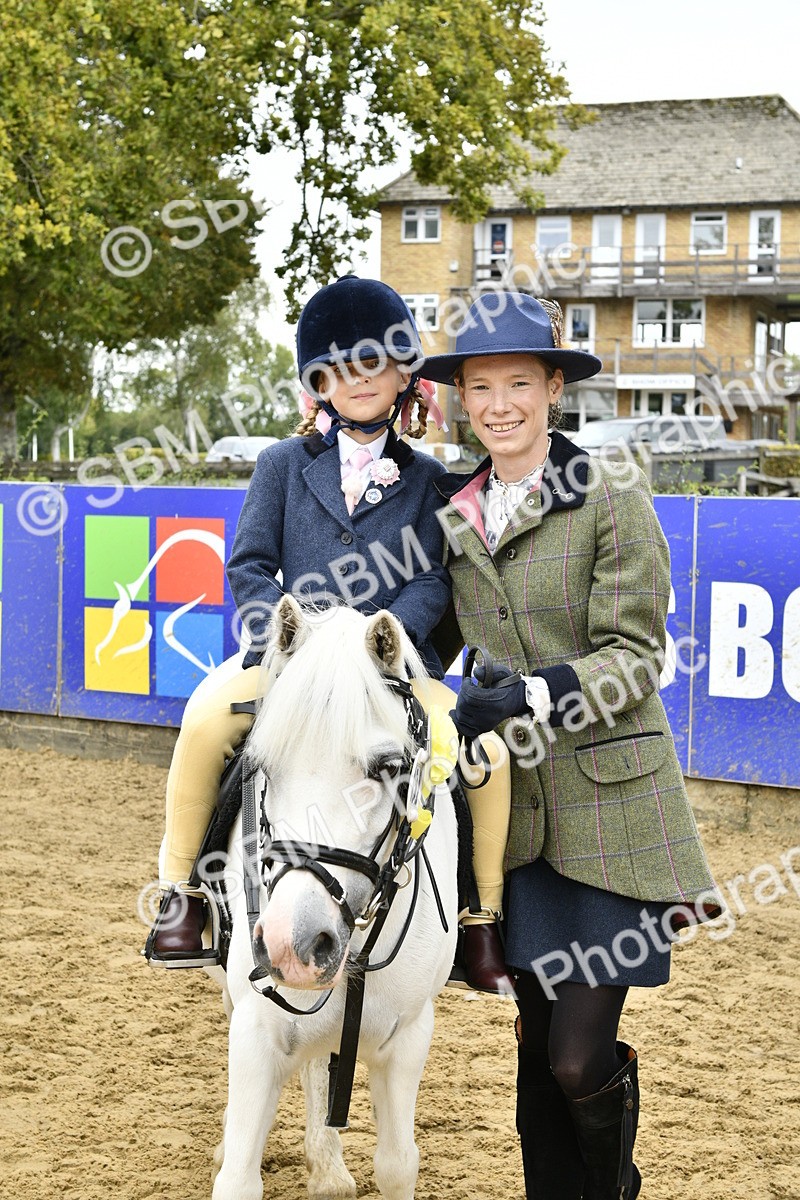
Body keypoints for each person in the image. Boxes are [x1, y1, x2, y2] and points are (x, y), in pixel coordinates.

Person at [420, 292, 724, 1199]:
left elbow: (640, 658)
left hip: (612, 816)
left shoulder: (612, 491)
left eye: (520, 382)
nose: (501, 403)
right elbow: (435, 642)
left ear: (555, 389)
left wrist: (539, 691)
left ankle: (613, 1190)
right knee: (532, 1051)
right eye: (482, 387)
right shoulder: (451, 512)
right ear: (461, 400)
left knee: (577, 1058)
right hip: (511, 820)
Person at [146, 275, 512, 993]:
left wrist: (388, 641)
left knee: (487, 751)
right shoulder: (282, 466)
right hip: (290, 663)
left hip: (388, 669)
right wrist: (286, 643)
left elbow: (434, 580)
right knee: (203, 720)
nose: (359, 380)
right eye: (341, 367)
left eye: (374, 363)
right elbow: (250, 564)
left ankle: (480, 920)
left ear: (404, 373)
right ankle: (179, 893)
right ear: (319, 381)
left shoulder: (431, 481)